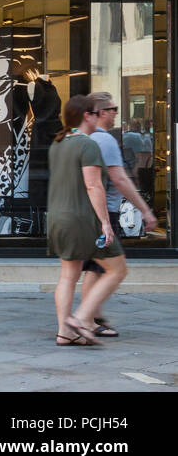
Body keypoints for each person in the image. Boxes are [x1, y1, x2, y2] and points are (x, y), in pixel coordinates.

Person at [47, 95, 127, 346]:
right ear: (86, 116)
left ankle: (64, 332)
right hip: (82, 220)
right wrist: (105, 222)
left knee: (68, 275)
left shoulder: (58, 143)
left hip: (58, 219)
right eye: (96, 113)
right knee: (117, 269)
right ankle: (81, 318)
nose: (100, 116)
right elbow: (94, 187)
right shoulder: (87, 145)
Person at [80, 93, 157, 337]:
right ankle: (84, 319)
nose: (116, 112)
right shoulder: (106, 141)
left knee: (96, 268)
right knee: (116, 270)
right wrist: (145, 210)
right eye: (112, 108)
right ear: (101, 113)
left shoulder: (81, 138)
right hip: (104, 213)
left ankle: (93, 316)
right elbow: (120, 179)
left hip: (86, 213)